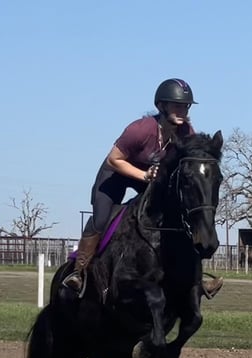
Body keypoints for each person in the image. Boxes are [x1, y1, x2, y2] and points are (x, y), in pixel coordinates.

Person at [63, 78, 224, 298]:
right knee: (101, 219)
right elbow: (113, 160)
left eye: (185, 106)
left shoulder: (186, 131)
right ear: (161, 106)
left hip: (149, 176)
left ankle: (195, 278)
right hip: (115, 174)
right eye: (177, 105)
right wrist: (143, 175)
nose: (182, 111)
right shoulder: (140, 130)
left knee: (174, 216)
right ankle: (78, 273)